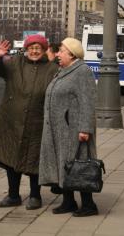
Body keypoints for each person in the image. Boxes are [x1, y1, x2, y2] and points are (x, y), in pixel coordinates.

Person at [0, 34, 58, 210]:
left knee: (34, 160)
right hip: (12, 120)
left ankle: (35, 196)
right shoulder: (15, 63)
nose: (34, 51)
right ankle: (13, 195)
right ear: (26, 49)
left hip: (38, 122)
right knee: (11, 158)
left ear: (43, 50)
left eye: (38, 48)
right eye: (31, 48)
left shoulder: (51, 69)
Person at [39, 37, 98, 217]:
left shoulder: (82, 71)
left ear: (71, 54)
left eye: (61, 51)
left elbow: (88, 102)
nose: (58, 54)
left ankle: (89, 205)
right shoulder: (63, 70)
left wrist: (85, 129)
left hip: (73, 129)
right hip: (58, 129)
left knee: (79, 165)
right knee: (64, 165)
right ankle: (68, 202)